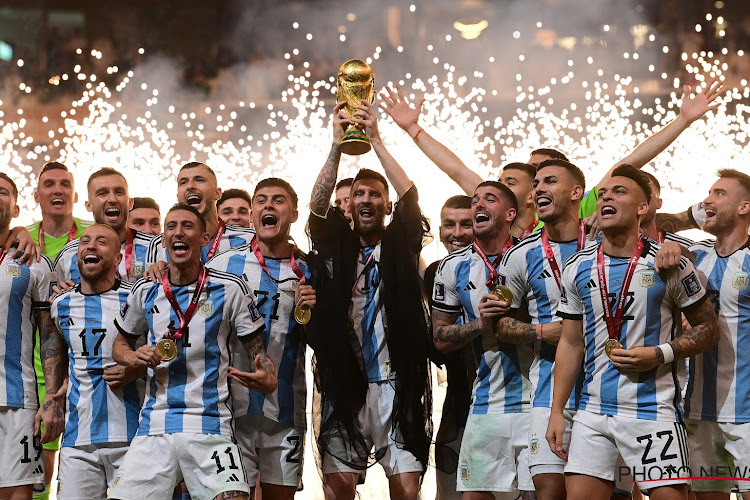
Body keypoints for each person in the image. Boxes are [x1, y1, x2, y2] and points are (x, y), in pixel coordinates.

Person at [547, 165, 719, 500]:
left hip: (653, 412)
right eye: (604, 193)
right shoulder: (578, 267)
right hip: (592, 412)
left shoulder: (670, 263)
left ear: (644, 207)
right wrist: (557, 411)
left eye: (620, 191)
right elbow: (570, 342)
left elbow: (708, 328)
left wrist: (660, 353)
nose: (607, 196)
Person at [380, 78, 725, 228]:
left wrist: (682, 121)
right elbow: (457, 170)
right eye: (532, 176)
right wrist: (413, 130)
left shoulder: (583, 210)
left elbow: (629, 164)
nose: (538, 185)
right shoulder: (504, 214)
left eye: (547, 176)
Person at [109, 204, 278, 500]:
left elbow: (257, 351)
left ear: (203, 238)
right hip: (155, 425)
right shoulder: (145, 290)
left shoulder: (230, 287)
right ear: (163, 239)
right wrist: (131, 357)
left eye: (187, 226)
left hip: (210, 423)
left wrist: (267, 375)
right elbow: (119, 344)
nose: (178, 232)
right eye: (171, 226)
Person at [307, 101, 432, 500]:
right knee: (339, 490)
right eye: (358, 194)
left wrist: (376, 139)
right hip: (345, 382)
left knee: (407, 492)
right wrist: (336, 146)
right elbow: (316, 205)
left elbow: (410, 194)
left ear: (386, 205)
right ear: (348, 205)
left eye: (375, 195)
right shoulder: (336, 248)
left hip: (397, 382)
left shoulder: (399, 244)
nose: (365, 200)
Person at [208, 179, 316, 500]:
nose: (268, 206)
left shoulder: (309, 272)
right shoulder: (221, 266)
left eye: (278, 201)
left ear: (294, 214)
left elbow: (321, 345)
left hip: (285, 413)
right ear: (253, 213)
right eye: (261, 201)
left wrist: (314, 315)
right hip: (230, 413)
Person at [432, 181, 536, 499]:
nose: (478, 204)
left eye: (489, 199)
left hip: (540, 401)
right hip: (488, 402)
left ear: (510, 213)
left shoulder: (536, 257)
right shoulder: (452, 267)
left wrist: (516, 317)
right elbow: (439, 338)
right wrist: (479, 325)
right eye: (475, 199)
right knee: (475, 494)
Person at [495, 159, 590, 500]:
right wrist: (539, 332)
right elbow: (498, 322)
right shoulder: (520, 255)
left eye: (550, 181)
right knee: (548, 492)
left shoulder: (605, 243)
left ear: (576, 192)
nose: (538, 190)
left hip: (607, 390)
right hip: (548, 390)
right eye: (536, 184)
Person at [663, 169, 750, 498]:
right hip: (698, 409)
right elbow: (656, 222)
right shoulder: (695, 254)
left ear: (744, 207)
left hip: (746, 412)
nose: (707, 200)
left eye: (719, 194)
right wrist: (671, 241)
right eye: (707, 194)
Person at [42, 224, 143, 499]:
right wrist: (54, 395)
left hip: (132, 435)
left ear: (117, 258)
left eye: (101, 242)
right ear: (77, 257)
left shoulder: (138, 297)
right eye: (85, 241)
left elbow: (168, 347)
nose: (90, 246)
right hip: (78, 438)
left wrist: (138, 367)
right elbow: (58, 353)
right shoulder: (60, 303)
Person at [26, 160, 94, 499]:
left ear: (75, 194)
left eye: (64, 184)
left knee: (84, 480)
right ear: (36, 195)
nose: (58, 190)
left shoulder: (94, 237)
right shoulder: (20, 240)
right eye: (49, 184)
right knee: (36, 481)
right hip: (34, 372)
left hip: (85, 375)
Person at [0, 173, 56, 500]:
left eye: (3, 192)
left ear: (17, 207)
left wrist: (51, 398)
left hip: (18, 400)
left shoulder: (32, 262)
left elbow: (50, 336)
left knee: (16, 497)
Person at [422, 194, 476, 500]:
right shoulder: (435, 273)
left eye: (466, 223)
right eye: (449, 224)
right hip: (458, 401)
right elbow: (439, 345)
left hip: (506, 402)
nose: (456, 232)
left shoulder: (509, 264)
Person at [54, 168, 155, 284]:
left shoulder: (154, 248)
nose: (112, 199)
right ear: (88, 206)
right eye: (102, 193)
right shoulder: (68, 254)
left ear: (130, 203)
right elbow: (56, 294)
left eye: (119, 192)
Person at [146, 162, 255, 268]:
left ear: (217, 193)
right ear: (178, 196)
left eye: (199, 180)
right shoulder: (159, 244)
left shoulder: (249, 238)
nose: (190, 186)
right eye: (183, 182)